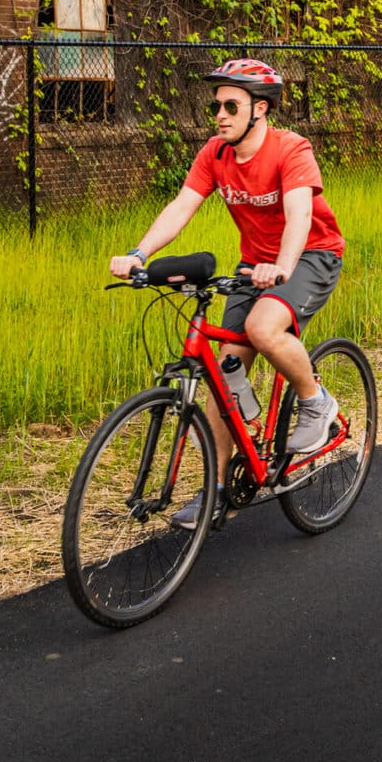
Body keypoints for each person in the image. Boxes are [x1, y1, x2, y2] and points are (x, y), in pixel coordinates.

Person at [109, 58, 345, 526]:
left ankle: (317, 402)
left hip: (310, 255)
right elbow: (182, 206)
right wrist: (139, 254)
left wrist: (281, 266)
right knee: (223, 380)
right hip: (254, 266)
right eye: (216, 105)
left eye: (230, 105)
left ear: (260, 108)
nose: (219, 114)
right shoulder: (215, 154)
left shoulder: (290, 149)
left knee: (262, 327)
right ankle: (216, 490)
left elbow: (299, 215)